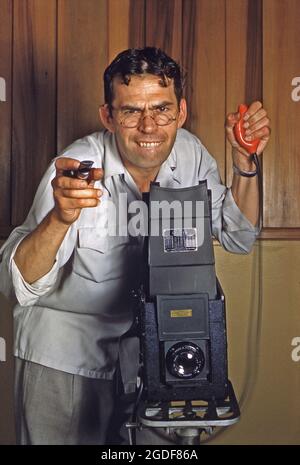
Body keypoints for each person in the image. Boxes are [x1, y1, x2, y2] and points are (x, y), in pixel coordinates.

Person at [0, 47, 271, 445]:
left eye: (161, 109)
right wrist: (60, 218)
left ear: (180, 112)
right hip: (66, 350)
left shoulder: (191, 154)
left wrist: (245, 162)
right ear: (108, 116)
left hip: (152, 351)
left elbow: (240, 236)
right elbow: (18, 282)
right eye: (130, 111)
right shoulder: (78, 164)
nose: (148, 126)